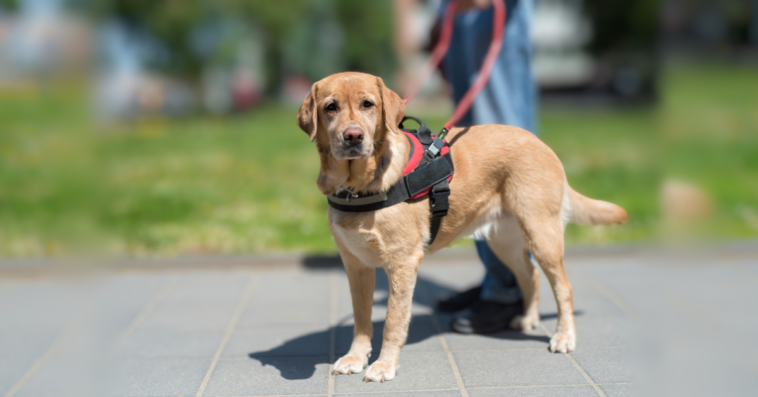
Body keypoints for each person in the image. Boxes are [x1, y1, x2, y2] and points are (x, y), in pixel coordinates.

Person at [434, 0, 538, 334]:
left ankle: (509, 288)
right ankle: (496, 276)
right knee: (470, 141)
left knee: (497, 134)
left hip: (497, 10)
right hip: (458, 13)